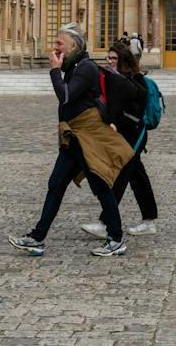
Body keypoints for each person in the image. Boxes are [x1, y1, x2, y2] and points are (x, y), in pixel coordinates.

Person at [7, 24, 129, 257]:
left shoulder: (85, 68)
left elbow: (64, 96)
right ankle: (37, 237)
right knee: (56, 185)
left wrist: (54, 70)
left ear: (74, 46)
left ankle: (116, 238)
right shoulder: (75, 66)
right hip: (73, 138)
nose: (55, 47)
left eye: (60, 43)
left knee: (100, 185)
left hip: (85, 138)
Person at [88, 39, 160, 234]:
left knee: (121, 176)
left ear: (122, 58)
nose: (110, 61)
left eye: (114, 58)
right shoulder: (113, 76)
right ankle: (149, 220)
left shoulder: (134, 78)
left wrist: (117, 120)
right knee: (138, 177)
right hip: (123, 134)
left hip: (135, 134)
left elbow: (137, 106)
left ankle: (106, 223)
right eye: (108, 57)